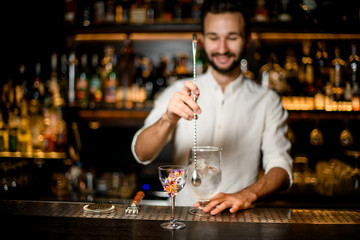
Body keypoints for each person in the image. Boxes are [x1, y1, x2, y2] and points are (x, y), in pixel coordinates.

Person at [131, 0, 293, 215]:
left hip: (240, 222)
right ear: (203, 41)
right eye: (214, 38)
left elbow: (281, 168)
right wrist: (168, 119)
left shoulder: (267, 100)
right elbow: (141, 153)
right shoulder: (178, 91)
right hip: (184, 221)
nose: (222, 48)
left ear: (247, 40)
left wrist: (248, 194)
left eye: (232, 37)